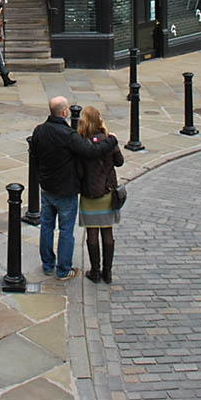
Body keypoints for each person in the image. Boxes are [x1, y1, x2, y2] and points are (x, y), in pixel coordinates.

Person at [31, 96, 119, 280]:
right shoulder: (68, 136)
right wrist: (111, 141)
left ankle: (48, 264)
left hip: (47, 188)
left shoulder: (39, 131)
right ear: (64, 113)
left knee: (46, 226)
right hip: (66, 190)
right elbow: (91, 152)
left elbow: (35, 156)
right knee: (65, 230)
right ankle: (63, 269)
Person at [76, 105, 124, 284]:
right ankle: (107, 272)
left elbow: (79, 172)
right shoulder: (108, 140)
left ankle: (95, 271)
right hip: (107, 191)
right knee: (107, 232)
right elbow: (119, 162)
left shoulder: (82, 143)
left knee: (92, 233)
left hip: (89, 193)